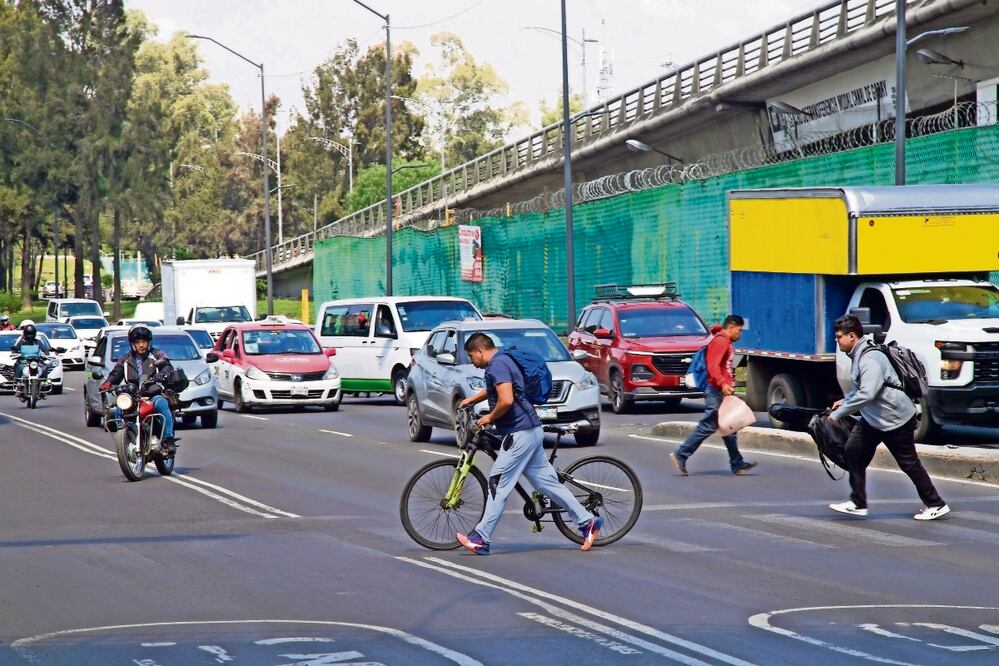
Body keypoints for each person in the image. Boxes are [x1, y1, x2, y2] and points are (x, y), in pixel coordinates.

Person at [455, 332, 603, 555]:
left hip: (520, 433)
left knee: (497, 483)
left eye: (471, 357)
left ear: (479, 350)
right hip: (530, 429)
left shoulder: (497, 365)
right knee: (547, 484)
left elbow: (506, 399)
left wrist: (489, 418)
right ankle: (587, 521)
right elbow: (498, 388)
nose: (472, 363)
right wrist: (472, 399)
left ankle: (481, 538)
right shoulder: (503, 359)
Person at [827, 314, 949, 520]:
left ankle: (936, 503)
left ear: (852, 336)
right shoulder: (859, 354)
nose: (837, 341)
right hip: (875, 418)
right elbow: (861, 386)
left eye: (839, 337)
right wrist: (845, 400)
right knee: (853, 451)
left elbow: (868, 392)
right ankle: (858, 503)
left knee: (908, 462)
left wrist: (840, 413)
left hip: (895, 418)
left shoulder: (869, 358)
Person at [671, 315, 758, 476]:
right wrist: (722, 383)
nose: (740, 334)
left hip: (718, 390)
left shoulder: (723, 341)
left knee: (728, 427)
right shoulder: (721, 341)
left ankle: (737, 463)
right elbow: (713, 366)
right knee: (708, 425)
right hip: (715, 390)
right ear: (731, 327)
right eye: (739, 331)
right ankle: (680, 455)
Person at [100, 326, 179, 456]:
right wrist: (108, 383)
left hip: (153, 394)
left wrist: (163, 374)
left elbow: (167, 365)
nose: (141, 345)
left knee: (162, 404)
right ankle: (125, 439)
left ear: (149, 342)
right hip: (133, 396)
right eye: (138, 342)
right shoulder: (125, 359)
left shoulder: (156, 355)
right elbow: (116, 373)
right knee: (119, 410)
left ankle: (168, 439)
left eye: (144, 342)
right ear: (133, 344)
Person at [10, 323, 52, 401]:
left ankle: (43, 387)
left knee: (44, 367)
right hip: (24, 361)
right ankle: (18, 385)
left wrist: (47, 355)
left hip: (36, 361)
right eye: (28, 334)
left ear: (35, 334)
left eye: (32, 334)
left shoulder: (38, 342)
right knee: (18, 366)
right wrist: (15, 353)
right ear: (25, 334)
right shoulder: (21, 342)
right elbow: (15, 349)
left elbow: (45, 349)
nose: (30, 336)